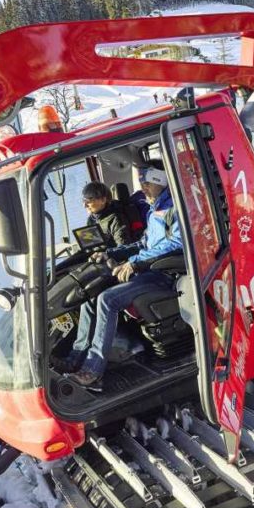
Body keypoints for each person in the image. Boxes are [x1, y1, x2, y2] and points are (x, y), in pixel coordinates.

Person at [65, 164, 181, 386]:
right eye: (142, 183)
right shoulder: (154, 208)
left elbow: (176, 242)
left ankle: (93, 370)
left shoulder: (174, 207)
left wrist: (135, 263)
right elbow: (143, 244)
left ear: (162, 181)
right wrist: (109, 252)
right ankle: (75, 359)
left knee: (107, 299)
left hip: (164, 273)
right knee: (90, 297)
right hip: (148, 269)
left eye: (148, 182)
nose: (143, 187)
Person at [82, 181, 136, 247]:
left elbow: (123, 247)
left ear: (103, 200)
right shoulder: (91, 220)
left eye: (88, 201)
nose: (84, 205)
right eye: (83, 201)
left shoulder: (116, 219)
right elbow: (90, 246)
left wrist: (105, 254)